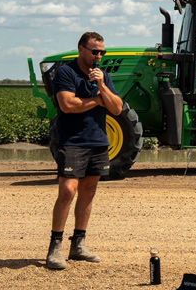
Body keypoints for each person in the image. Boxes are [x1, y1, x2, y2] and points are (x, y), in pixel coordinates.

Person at [46, 32, 123, 270]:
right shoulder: (66, 73)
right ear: (81, 49)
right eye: (95, 51)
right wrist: (96, 101)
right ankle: (55, 247)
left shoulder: (104, 76)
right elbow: (67, 105)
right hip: (72, 141)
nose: (99, 56)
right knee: (68, 190)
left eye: (102, 52)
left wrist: (101, 86)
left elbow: (118, 108)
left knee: (88, 192)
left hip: (98, 142)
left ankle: (78, 244)